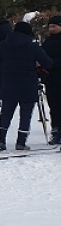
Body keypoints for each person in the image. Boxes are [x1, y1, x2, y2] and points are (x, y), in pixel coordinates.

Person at [0, 21, 54, 151]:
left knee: (6, 113)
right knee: (25, 114)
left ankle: (1, 140)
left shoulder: (4, 44)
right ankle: (21, 142)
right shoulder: (32, 46)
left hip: (9, 82)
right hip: (28, 83)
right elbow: (47, 63)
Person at [41, 16, 61, 145]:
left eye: (54, 26)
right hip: (51, 79)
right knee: (54, 106)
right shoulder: (47, 41)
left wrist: (51, 63)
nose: (52, 29)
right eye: (50, 27)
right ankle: (56, 131)